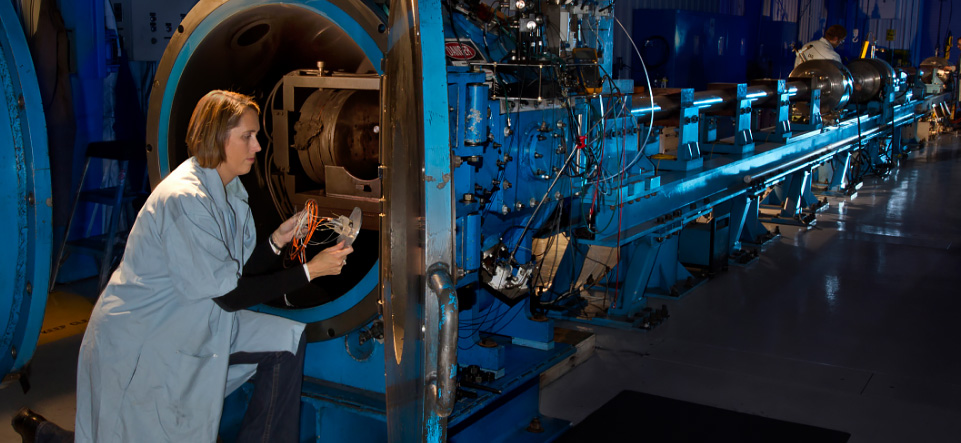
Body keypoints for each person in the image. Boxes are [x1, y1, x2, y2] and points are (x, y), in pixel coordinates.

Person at [12, 90, 353, 443]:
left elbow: (234, 270)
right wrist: (311, 271)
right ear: (218, 138)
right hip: (146, 336)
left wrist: (276, 241)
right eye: (247, 137)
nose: (257, 147)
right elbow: (231, 294)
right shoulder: (185, 199)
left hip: (195, 317)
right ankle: (45, 435)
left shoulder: (229, 191)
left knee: (286, 341)